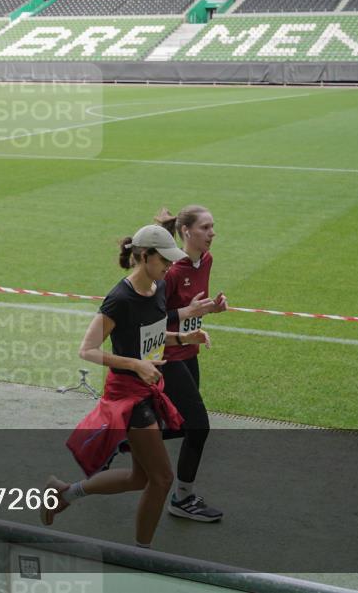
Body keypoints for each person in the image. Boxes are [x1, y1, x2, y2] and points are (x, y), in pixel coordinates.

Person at [43, 224, 210, 548]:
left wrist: (182, 337)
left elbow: (151, 336)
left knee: (141, 477)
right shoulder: (120, 299)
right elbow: (87, 349)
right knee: (162, 479)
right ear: (144, 256)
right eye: (164, 260)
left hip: (149, 390)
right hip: (128, 396)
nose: (169, 267)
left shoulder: (158, 288)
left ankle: (64, 492)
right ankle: (141, 556)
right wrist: (136, 364)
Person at [154, 205, 228, 522]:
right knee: (198, 426)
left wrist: (211, 310)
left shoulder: (206, 261)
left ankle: (126, 439)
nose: (212, 233)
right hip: (165, 357)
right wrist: (186, 315)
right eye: (205, 228)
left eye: (213, 227)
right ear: (186, 232)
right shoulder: (170, 272)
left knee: (183, 424)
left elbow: (192, 309)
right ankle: (182, 499)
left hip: (189, 353)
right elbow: (151, 321)